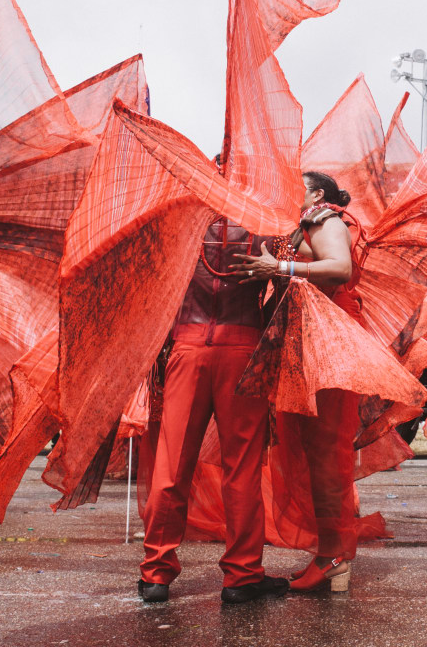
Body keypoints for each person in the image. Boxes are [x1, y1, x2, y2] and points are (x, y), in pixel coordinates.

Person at [137, 217, 287, 605]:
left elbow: (156, 289)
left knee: (171, 465)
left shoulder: (181, 228)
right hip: (242, 348)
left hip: (187, 347)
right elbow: (286, 294)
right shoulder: (267, 227)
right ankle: (241, 575)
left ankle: (156, 574)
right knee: (242, 469)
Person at [230, 170, 361, 593]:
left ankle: (334, 556)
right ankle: (328, 553)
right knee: (308, 453)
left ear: (316, 193)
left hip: (324, 347)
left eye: (296, 185)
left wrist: (280, 265)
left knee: (324, 454)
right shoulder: (300, 225)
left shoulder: (325, 218)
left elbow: (340, 268)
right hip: (301, 346)